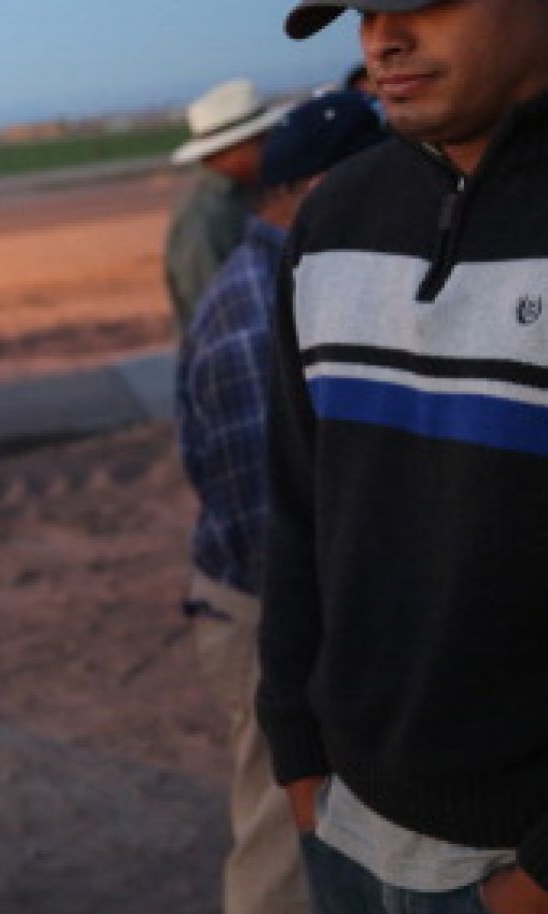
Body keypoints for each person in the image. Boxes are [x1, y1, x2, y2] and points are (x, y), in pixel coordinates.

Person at [263, 2, 548, 913]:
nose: (385, 39)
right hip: (355, 815)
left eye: (424, 4)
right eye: (365, 11)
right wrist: (298, 748)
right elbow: (300, 501)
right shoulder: (335, 216)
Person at [175, 90, 386, 914]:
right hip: (274, 611)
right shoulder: (262, 313)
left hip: (283, 603)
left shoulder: (301, 280)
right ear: (313, 187)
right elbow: (277, 529)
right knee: (283, 841)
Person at [164, 78, 286, 336]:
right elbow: (212, 312)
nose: (271, 147)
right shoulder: (203, 218)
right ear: (228, 150)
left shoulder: (249, 194)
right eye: (260, 141)